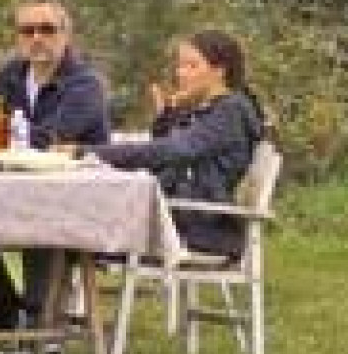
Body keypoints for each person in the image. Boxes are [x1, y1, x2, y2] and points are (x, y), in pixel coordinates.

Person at [0, 0, 110, 354]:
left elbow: (51, 139)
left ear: (66, 34)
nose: (37, 38)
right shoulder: (8, 76)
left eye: (47, 29)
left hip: (73, 201)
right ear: (18, 36)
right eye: (28, 30)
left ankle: (42, 334)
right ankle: (3, 319)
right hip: (9, 191)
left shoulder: (85, 85)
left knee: (43, 225)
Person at [78, 29, 266, 259]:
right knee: (76, 221)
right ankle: (49, 294)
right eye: (180, 65)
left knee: (76, 225)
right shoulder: (210, 109)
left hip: (201, 229)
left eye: (192, 66)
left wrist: (86, 152)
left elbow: (170, 151)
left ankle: (49, 294)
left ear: (219, 70)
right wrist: (169, 114)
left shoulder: (230, 111)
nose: (181, 73)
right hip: (181, 216)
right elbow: (166, 150)